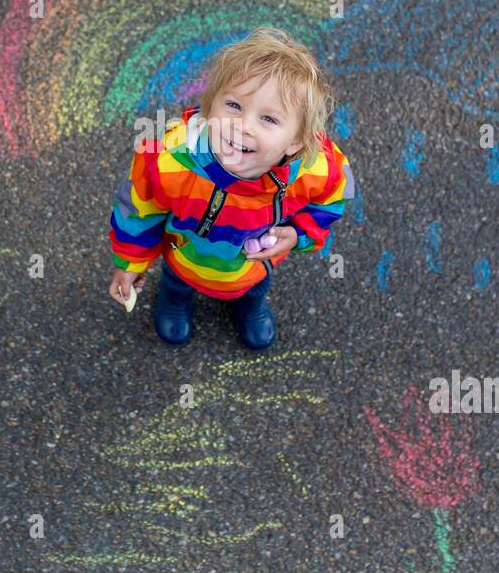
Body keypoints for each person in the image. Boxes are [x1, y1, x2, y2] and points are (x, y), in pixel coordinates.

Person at [107, 27, 355, 349]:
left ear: (296, 141)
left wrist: (298, 234)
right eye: (234, 106)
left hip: (252, 267)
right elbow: (137, 211)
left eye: (268, 119)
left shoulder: (317, 171)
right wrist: (129, 263)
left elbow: (331, 201)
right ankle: (174, 298)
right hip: (185, 259)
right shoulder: (168, 160)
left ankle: (250, 306)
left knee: (254, 288)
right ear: (210, 109)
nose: (242, 126)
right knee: (178, 282)